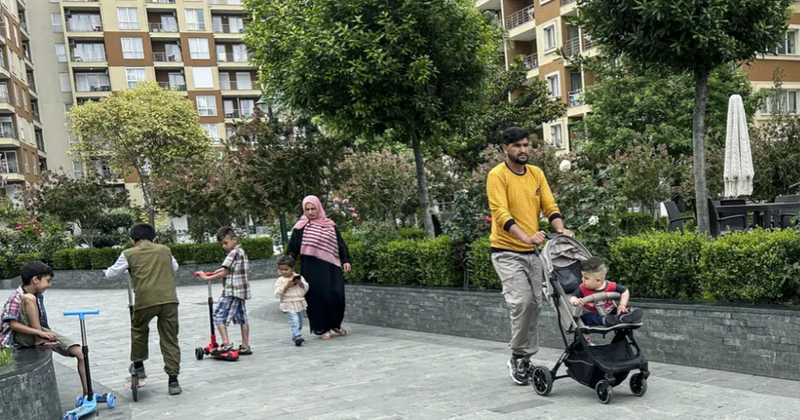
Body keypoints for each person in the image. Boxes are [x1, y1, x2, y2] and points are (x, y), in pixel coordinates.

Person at [486, 126, 573, 386]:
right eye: (517, 146)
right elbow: (500, 213)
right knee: (522, 303)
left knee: (535, 304)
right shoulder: (497, 176)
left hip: (535, 253)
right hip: (506, 251)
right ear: (506, 148)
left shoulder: (536, 173)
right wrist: (526, 236)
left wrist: (561, 229)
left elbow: (549, 206)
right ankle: (518, 356)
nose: (523, 150)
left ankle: (525, 355)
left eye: (526, 145)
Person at [104, 223, 182, 395]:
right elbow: (174, 267)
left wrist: (106, 272)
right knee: (169, 338)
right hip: (169, 300)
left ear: (133, 240)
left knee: (139, 330)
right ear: (154, 238)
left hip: (145, 300)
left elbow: (112, 274)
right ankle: (173, 380)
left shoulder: (129, 254)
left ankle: (138, 366)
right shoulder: (165, 250)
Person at [0, 261, 89, 396]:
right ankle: (39, 339)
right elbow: (13, 325)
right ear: (35, 279)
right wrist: (39, 333)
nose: (49, 285)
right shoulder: (17, 297)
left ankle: (88, 392)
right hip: (19, 339)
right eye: (48, 281)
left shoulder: (38, 296)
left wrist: (44, 332)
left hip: (40, 331)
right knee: (29, 298)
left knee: (81, 353)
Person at [287, 195, 351, 340]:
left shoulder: (330, 225)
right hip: (311, 269)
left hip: (331, 267)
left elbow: (340, 244)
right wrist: (288, 268)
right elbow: (292, 249)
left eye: (313, 208)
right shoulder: (300, 227)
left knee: (337, 294)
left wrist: (346, 260)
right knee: (317, 298)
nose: (310, 212)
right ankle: (321, 328)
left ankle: (335, 324)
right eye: (307, 209)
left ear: (319, 208)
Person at [198, 226, 252, 355]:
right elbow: (227, 269)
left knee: (218, 315)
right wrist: (216, 271)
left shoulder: (233, 253)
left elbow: (226, 271)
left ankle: (226, 344)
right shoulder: (241, 252)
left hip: (232, 290)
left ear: (234, 240)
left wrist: (207, 277)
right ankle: (245, 345)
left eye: (226, 243)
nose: (224, 246)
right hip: (242, 291)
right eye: (222, 243)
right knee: (242, 317)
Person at [570, 257, 643, 326]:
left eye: (586, 278)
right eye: (582, 277)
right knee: (587, 318)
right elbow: (573, 296)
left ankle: (624, 316)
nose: (582, 280)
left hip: (609, 311)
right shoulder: (582, 288)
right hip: (592, 312)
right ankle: (610, 319)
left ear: (598, 280)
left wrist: (622, 305)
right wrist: (575, 301)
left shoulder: (610, 286)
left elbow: (625, 291)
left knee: (620, 310)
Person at [274, 255, 309, 347]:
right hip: (288, 303)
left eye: (286, 269)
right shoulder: (280, 280)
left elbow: (305, 288)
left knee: (300, 322)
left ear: (292, 268)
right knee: (294, 320)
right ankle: (297, 336)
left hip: (299, 302)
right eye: (281, 270)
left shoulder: (299, 277)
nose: (283, 272)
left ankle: (296, 334)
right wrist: (286, 287)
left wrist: (300, 284)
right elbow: (277, 294)